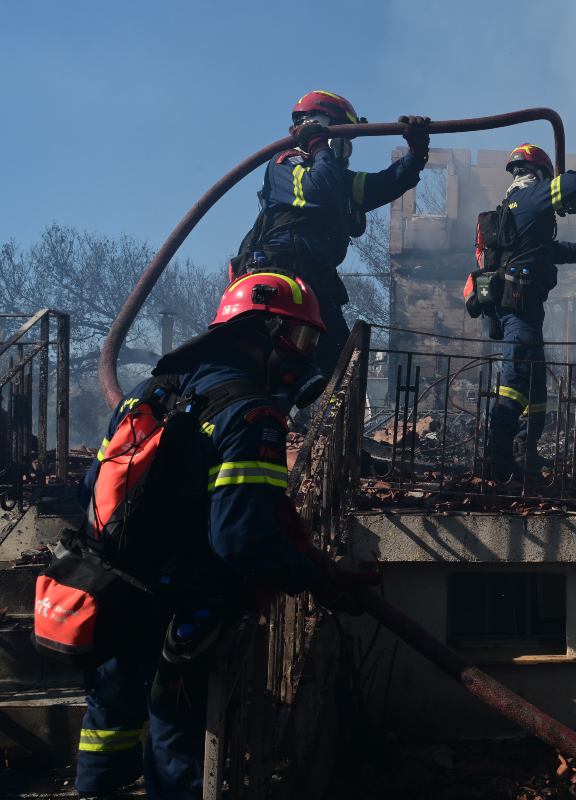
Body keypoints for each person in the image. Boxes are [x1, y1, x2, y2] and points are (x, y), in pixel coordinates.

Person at [71, 271, 377, 799]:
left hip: (115, 594)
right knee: (178, 746)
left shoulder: (151, 391)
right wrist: (317, 578)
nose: (304, 355)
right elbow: (242, 538)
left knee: (108, 723)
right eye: (301, 337)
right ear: (261, 332)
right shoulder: (253, 415)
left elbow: (89, 493)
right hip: (180, 613)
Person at [232, 90, 432, 376]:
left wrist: (416, 154)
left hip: (317, 284)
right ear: (320, 128)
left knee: (341, 369)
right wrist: (317, 144)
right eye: (343, 137)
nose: (346, 148)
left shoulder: (335, 177)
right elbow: (320, 190)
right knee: (286, 368)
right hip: (284, 281)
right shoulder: (286, 162)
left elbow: (384, 185)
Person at [487, 144, 576, 481]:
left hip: (524, 305)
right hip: (520, 306)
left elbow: (559, 252)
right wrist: (565, 196)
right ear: (540, 173)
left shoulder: (521, 211)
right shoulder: (532, 196)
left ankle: (525, 452)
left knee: (534, 384)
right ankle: (498, 460)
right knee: (517, 377)